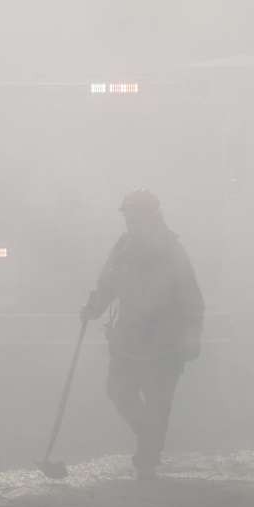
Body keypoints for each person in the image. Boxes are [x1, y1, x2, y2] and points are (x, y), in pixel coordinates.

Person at [80, 189, 203, 479]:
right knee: (119, 391)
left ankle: (147, 458)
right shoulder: (124, 246)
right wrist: (94, 308)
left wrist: (192, 334)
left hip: (164, 342)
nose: (130, 221)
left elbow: (191, 297)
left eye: (135, 215)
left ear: (151, 215)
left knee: (158, 401)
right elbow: (108, 282)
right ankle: (150, 439)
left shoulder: (171, 250)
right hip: (128, 339)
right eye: (128, 216)